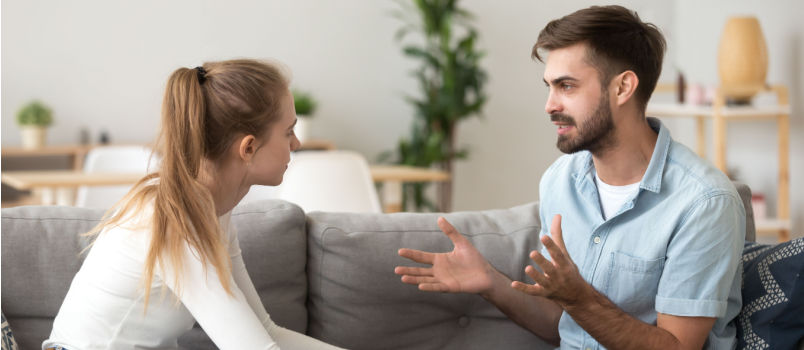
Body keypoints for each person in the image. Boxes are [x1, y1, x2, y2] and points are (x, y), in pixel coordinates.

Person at [395, 5, 745, 350]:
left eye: (566, 86)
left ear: (623, 88)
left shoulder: (704, 203)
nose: (550, 105)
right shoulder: (560, 180)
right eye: (549, 86)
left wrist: (579, 298)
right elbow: (558, 325)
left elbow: (678, 347)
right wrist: (489, 281)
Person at [43, 59, 343, 350]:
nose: (296, 144)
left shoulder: (210, 210)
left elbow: (265, 332)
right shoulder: (176, 221)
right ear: (249, 147)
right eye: (289, 132)